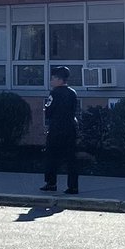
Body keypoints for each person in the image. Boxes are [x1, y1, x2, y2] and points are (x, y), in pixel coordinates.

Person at [40, 65, 79, 193]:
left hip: (56, 128)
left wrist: (46, 110)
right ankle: (73, 186)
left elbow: (49, 112)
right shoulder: (73, 93)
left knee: (51, 156)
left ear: (59, 79)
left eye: (53, 78)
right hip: (70, 127)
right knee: (71, 158)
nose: (51, 81)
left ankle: (51, 183)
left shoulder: (54, 93)